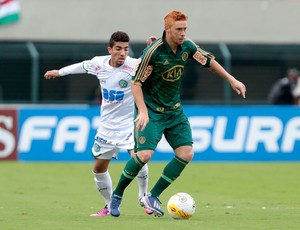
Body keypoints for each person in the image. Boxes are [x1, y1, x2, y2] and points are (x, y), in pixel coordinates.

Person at [109, 10, 246, 217]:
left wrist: (232, 80)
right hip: (152, 111)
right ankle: (117, 195)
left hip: (174, 111)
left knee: (186, 153)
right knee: (144, 155)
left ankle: (152, 195)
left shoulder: (188, 47)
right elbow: (136, 84)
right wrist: (143, 111)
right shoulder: (153, 52)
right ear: (167, 29)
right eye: (178, 29)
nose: (183, 33)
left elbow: (209, 62)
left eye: (185, 29)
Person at [44, 31, 152, 217]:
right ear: (110, 49)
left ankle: (144, 196)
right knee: (99, 169)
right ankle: (109, 206)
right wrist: (59, 72)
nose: (122, 53)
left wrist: (150, 50)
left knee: (139, 158)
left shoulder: (134, 65)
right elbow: (81, 66)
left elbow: (152, 65)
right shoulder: (99, 64)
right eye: (118, 49)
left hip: (130, 124)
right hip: (107, 128)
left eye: (125, 49)